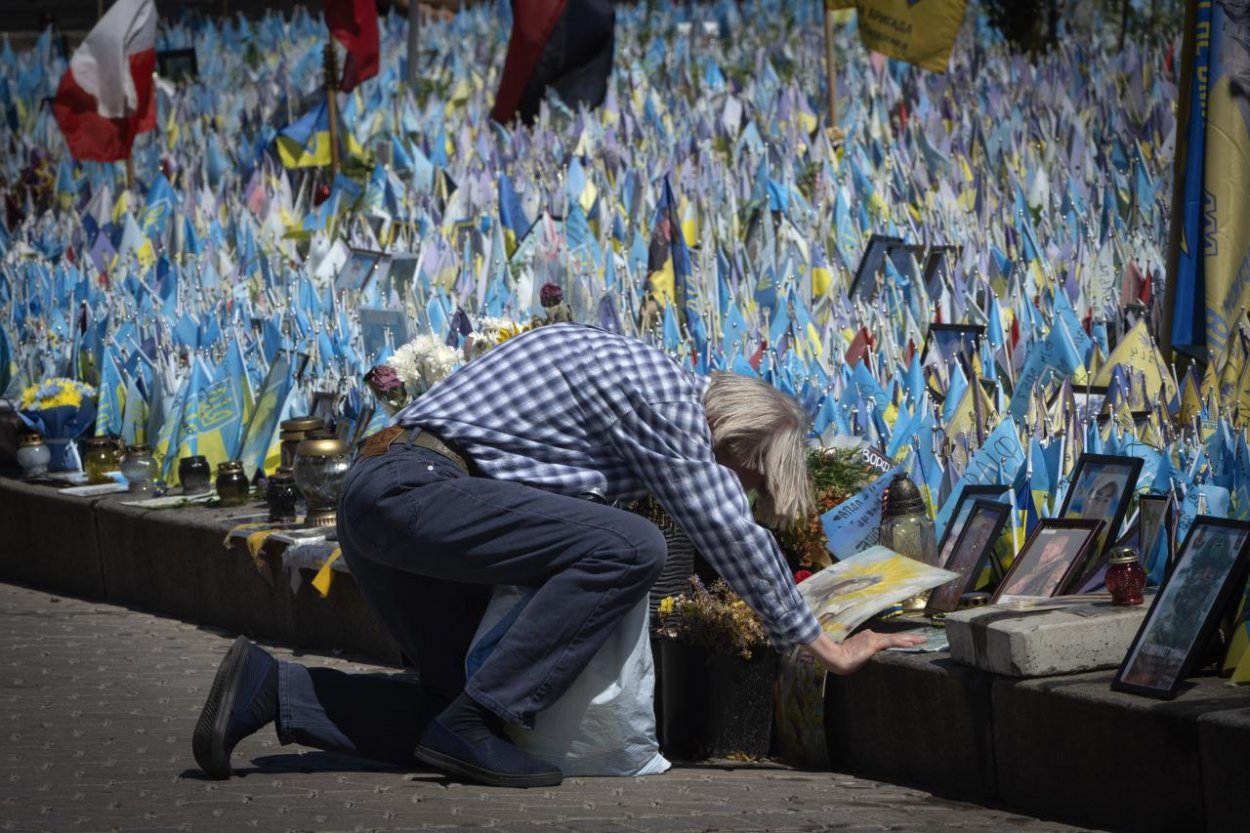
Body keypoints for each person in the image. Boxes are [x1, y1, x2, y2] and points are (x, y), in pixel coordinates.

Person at [191, 323, 922, 787]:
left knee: (445, 709)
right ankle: (480, 717)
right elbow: (731, 529)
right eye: (749, 477)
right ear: (735, 442)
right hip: (413, 491)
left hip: (388, 496)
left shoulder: (642, 388)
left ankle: (272, 689)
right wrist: (820, 642)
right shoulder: (669, 400)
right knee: (631, 546)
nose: (739, 490)